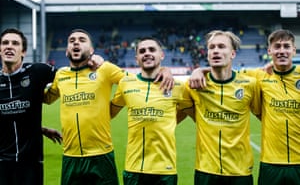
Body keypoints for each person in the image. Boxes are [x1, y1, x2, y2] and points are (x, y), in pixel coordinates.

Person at [43, 29, 174, 185]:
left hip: (102, 154)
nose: (76, 42)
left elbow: (136, 81)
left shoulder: (104, 69)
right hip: (71, 156)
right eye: (72, 41)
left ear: (91, 50)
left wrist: (165, 70)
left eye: (82, 40)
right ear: (66, 51)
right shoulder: (61, 75)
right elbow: (47, 98)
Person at [190, 29, 300, 185]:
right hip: (270, 162)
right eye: (277, 47)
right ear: (269, 51)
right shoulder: (256, 77)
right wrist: (199, 70)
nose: (281, 51)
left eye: (286, 47)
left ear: (294, 50)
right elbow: (225, 70)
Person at [181, 30, 261, 185]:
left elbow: (263, 116)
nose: (216, 50)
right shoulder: (193, 86)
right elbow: (192, 113)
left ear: (232, 54)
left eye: (221, 46)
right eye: (212, 47)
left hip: (240, 170)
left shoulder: (250, 85)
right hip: (206, 170)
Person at [110, 37, 193, 185]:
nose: (147, 53)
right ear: (137, 59)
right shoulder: (126, 84)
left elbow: (192, 112)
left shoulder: (178, 87)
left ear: (162, 55)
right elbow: (109, 112)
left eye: (152, 50)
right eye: (142, 51)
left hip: (165, 170)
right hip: (134, 168)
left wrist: (170, 121)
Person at [0, 28, 62, 185]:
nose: (9, 46)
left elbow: (69, 76)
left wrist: (93, 60)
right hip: (2, 163)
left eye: (15, 43)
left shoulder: (37, 72)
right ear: (0, 50)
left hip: (31, 162)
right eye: (5, 43)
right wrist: (41, 129)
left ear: (23, 51)